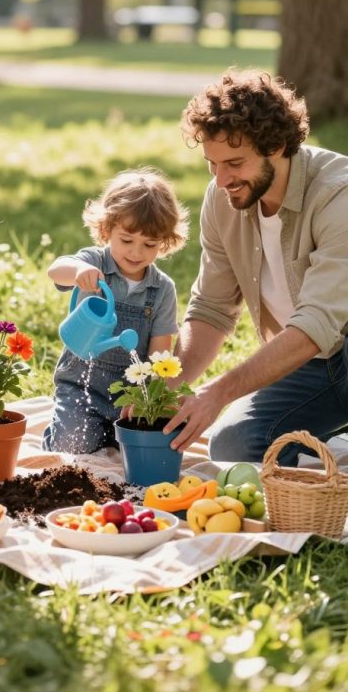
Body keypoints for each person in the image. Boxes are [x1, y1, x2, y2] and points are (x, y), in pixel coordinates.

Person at [164, 70, 348, 466]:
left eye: (234, 163)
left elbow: (316, 325)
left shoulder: (338, 195)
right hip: (314, 367)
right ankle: (327, 451)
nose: (221, 179)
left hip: (333, 347)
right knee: (233, 445)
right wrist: (163, 386)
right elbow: (211, 309)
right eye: (212, 163)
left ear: (277, 145)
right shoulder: (223, 199)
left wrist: (217, 393)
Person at [43, 167, 188, 453]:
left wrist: (148, 398)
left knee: (152, 448)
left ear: (164, 241)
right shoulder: (93, 263)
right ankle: (59, 433)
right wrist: (79, 271)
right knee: (73, 445)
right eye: (126, 240)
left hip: (130, 396)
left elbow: (161, 355)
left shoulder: (162, 289)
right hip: (81, 388)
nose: (136, 253)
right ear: (107, 229)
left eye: (149, 244)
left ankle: (109, 435)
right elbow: (55, 270)